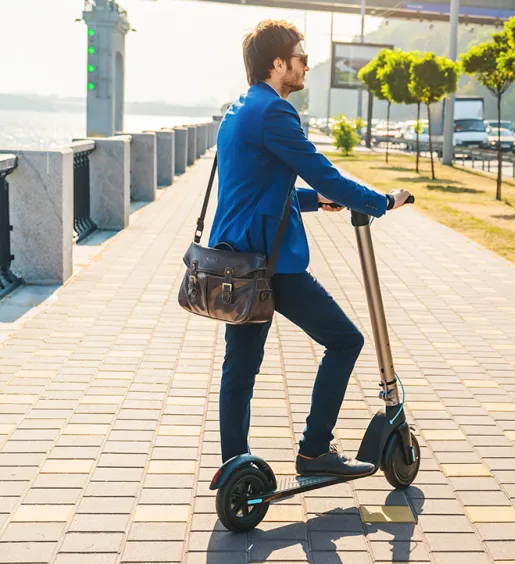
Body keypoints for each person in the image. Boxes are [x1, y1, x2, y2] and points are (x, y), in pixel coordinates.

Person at [209, 19, 411, 476]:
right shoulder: (276, 112)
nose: (306, 64)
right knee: (345, 341)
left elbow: (251, 189)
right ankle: (314, 451)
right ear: (277, 63)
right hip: (271, 263)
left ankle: (235, 472)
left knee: (239, 371)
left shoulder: (240, 107)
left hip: (238, 258)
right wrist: (378, 202)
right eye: (300, 57)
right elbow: (324, 171)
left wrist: (312, 201)